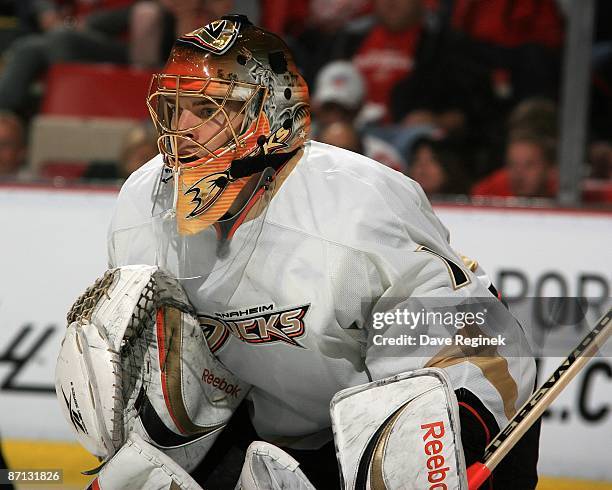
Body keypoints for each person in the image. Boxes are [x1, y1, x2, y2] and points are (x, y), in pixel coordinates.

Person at [60, 16, 540, 489]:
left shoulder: (356, 210)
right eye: (176, 106)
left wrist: (450, 445)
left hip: (442, 393)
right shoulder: (141, 205)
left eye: (208, 111)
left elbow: (465, 356)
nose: (182, 127)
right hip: (276, 426)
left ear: (268, 118)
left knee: (403, 457)